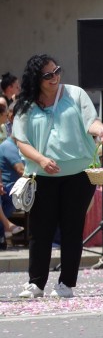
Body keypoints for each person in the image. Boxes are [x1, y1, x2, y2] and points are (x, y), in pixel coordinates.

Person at [13, 54, 103, 298]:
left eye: (57, 71)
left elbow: (91, 123)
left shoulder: (75, 94)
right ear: (37, 78)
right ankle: (36, 283)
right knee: (40, 231)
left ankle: (66, 284)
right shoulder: (25, 103)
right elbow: (21, 140)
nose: (55, 77)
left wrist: (102, 131)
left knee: (71, 229)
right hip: (41, 174)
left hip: (79, 174)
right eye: (48, 75)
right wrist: (42, 159)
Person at [0, 103, 25, 248]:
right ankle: (6, 226)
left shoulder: (23, 146)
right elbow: (22, 171)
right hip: (11, 190)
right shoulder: (9, 146)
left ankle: (5, 230)